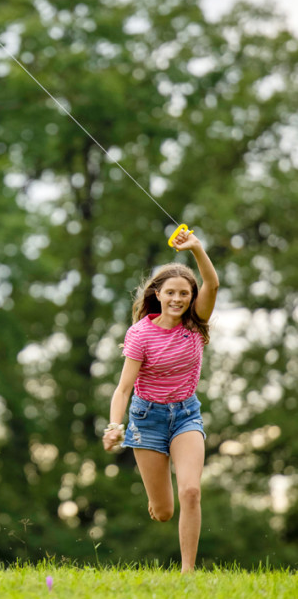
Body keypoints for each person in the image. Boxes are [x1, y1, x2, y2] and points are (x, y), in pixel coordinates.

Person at [102, 229, 219, 573]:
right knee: (165, 511)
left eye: (185, 293)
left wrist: (197, 248)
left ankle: (187, 573)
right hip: (147, 418)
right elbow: (123, 388)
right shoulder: (140, 334)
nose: (178, 299)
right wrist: (114, 425)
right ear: (158, 294)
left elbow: (211, 284)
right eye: (171, 292)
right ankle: (157, 501)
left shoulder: (196, 324)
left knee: (192, 492)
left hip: (185, 416)